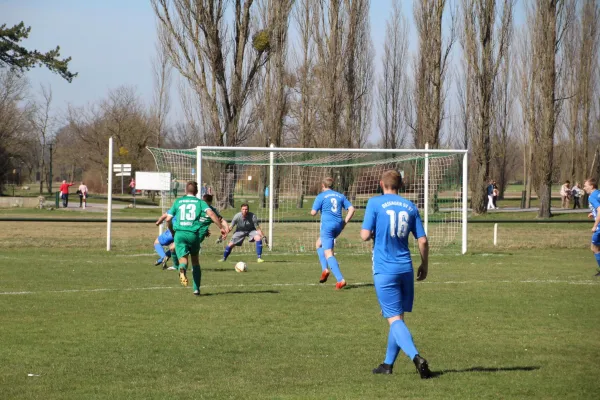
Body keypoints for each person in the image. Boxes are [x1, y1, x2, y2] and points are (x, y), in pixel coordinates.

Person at [360, 169, 433, 379]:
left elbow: (364, 235)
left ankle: (416, 357)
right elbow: (423, 240)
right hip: (405, 269)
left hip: (385, 269)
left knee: (394, 319)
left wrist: (372, 231)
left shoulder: (374, 203)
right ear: (400, 186)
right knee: (398, 318)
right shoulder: (410, 206)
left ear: (381, 185)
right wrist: (425, 265)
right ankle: (387, 364)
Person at [164, 181, 228, 295]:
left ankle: (182, 268)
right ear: (197, 192)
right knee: (195, 261)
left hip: (180, 234)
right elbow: (212, 214)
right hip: (193, 235)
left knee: (183, 259)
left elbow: (168, 219)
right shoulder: (200, 202)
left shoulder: (178, 201)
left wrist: (172, 231)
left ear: (185, 191)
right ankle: (196, 289)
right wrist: (221, 227)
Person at [310, 177, 355, 289]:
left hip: (327, 226)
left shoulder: (321, 196)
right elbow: (352, 209)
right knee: (318, 244)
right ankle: (325, 270)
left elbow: (313, 213)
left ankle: (341, 280)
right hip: (338, 226)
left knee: (328, 253)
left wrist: (315, 209)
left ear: (322, 185)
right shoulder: (340, 196)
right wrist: (344, 223)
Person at [583, 178, 600, 277]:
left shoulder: (592, 197)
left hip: (599, 227)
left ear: (592, 186)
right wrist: (593, 213)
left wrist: (595, 226)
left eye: (585, 186)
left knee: (594, 248)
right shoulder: (598, 193)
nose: (584, 188)